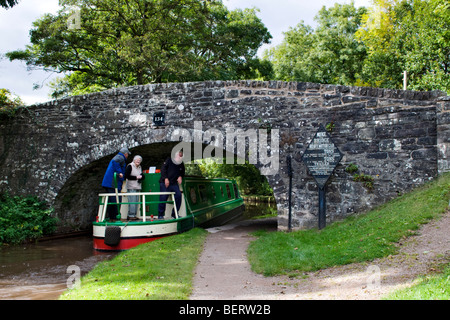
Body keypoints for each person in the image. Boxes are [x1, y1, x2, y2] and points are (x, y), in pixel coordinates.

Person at [101, 147, 130, 221]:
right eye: (127, 155)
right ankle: (114, 217)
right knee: (115, 200)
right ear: (125, 154)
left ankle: (112, 217)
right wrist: (119, 172)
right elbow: (115, 162)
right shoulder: (120, 157)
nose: (127, 156)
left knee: (112, 200)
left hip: (110, 183)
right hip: (112, 183)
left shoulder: (118, 157)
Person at [158, 150, 185, 219]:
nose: (180, 157)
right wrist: (165, 178)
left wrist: (180, 176)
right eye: (179, 155)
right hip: (165, 183)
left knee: (179, 196)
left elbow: (182, 172)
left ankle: (175, 214)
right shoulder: (169, 160)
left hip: (174, 183)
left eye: (181, 156)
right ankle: (160, 215)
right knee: (163, 197)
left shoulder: (181, 164)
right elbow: (163, 169)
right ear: (176, 155)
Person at [125, 155, 145, 220]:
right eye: (137, 160)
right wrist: (136, 177)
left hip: (137, 186)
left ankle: (133, 215)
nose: (138, 161)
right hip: (131, 186)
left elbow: (140, 174)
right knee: (132, 202)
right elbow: (127, 176)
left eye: (139, 160)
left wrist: (142, 176)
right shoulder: (130, 166)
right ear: (134, 160)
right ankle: (130, 215)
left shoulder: (139, 167)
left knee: (136, 202)